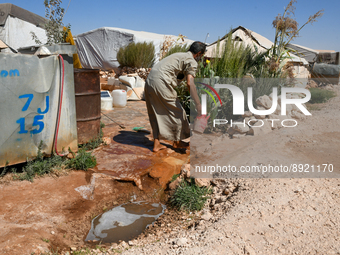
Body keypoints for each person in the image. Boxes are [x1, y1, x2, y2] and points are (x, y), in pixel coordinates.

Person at [144, 41, 206, 152]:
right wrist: (198, 104)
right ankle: (177, 142)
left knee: (155, 112)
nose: (201, 58)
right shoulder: (191, 60)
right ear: (199, 53)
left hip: (149, 81)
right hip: (161, 82)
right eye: (202, 56)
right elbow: (189, 83)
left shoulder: (179, 55)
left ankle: (156, 144)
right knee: (178, 112)